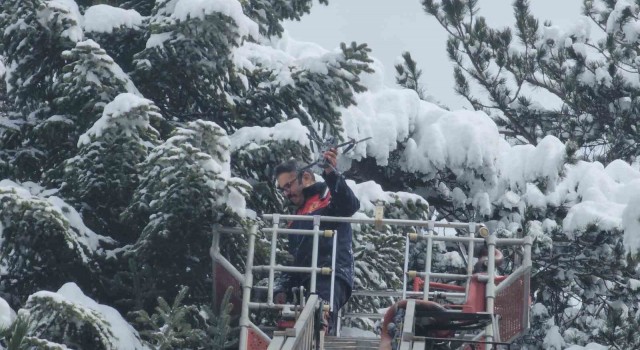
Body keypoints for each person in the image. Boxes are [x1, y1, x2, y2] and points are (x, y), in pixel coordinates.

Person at [273, 148, 360, 335]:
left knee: (320, 322)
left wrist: (330, 172)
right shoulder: (296, 216)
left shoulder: (327, 196)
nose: (286, 193)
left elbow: (349, 205)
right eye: (282, 190)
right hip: (305, 280)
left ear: (305, 177)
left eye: (288, 186)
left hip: (331, 273)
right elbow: (294, 258)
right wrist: (283, 287)